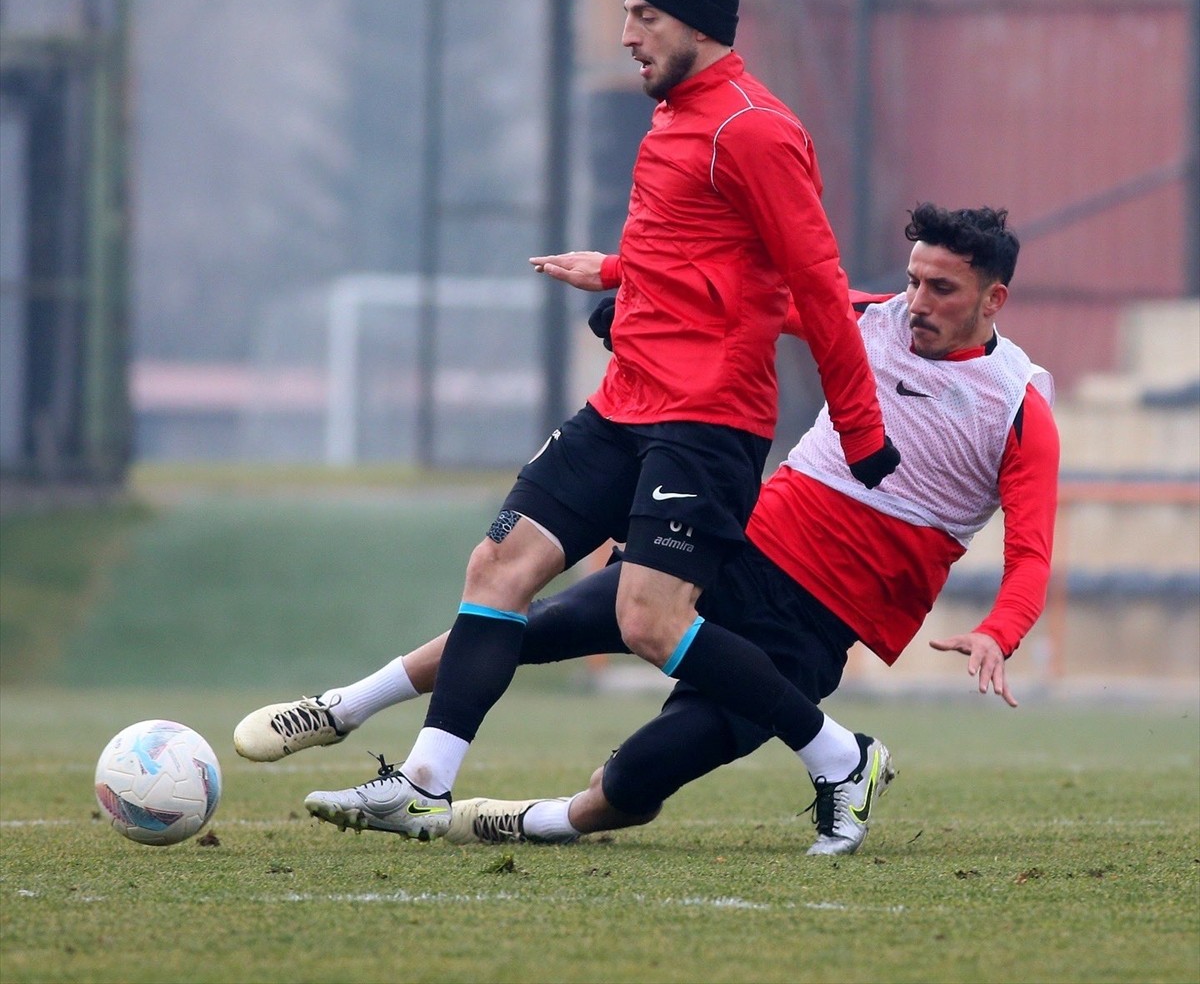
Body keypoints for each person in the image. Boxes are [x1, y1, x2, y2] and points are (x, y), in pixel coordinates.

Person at [235, 0, 898, 841]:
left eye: (644, 15)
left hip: (705, 423)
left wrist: (860, 430)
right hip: (622, 403)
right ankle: (424, 783)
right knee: (497, 568)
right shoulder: (673, 118)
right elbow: (705, 254)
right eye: (625, 12)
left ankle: (838, 758)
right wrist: (622, 272)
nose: (626, 33)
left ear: (699, 23)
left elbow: (812, 283)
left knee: (651, 623)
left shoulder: (757, 128)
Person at [237, 204, 1057, 857]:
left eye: (942, 290)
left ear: (994, 300)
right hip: (738, 554)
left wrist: (999, 630)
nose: (917, 304)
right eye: (913, 281)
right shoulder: (870, 319)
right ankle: (343, 708)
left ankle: (518, 822)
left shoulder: (1017, 405)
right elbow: (734, 292)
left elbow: (1030, 554)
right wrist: (621, 276)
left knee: (629, 786)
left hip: (813, 628)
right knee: (529, 624)